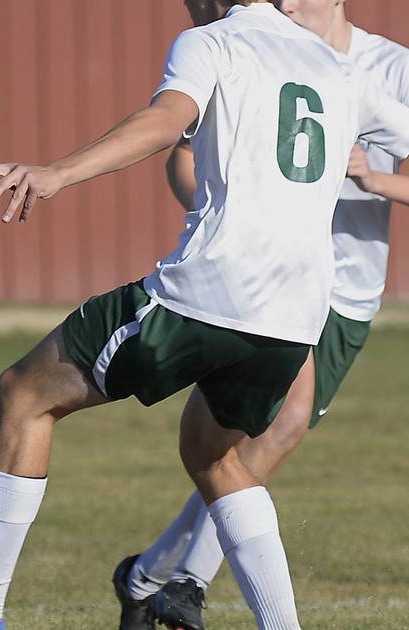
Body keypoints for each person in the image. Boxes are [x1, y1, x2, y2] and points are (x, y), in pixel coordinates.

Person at [0, 1, 409, 629]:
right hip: (294, 319)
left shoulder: (213, 42)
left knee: (24, 393)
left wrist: (57, 172)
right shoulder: (337, 67)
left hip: (208, 294)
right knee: (215, 456)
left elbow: (163, 122)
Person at [113, 0, 409, 628]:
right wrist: (227, 215)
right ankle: (185, 583)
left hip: (344, 294)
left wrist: (374, 180)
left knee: (245, 451)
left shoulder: (387, 69)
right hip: (263, 284)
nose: (284, 2)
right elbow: (184, 156)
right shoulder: (259, 46)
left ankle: (150, 575)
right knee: (274, 430)